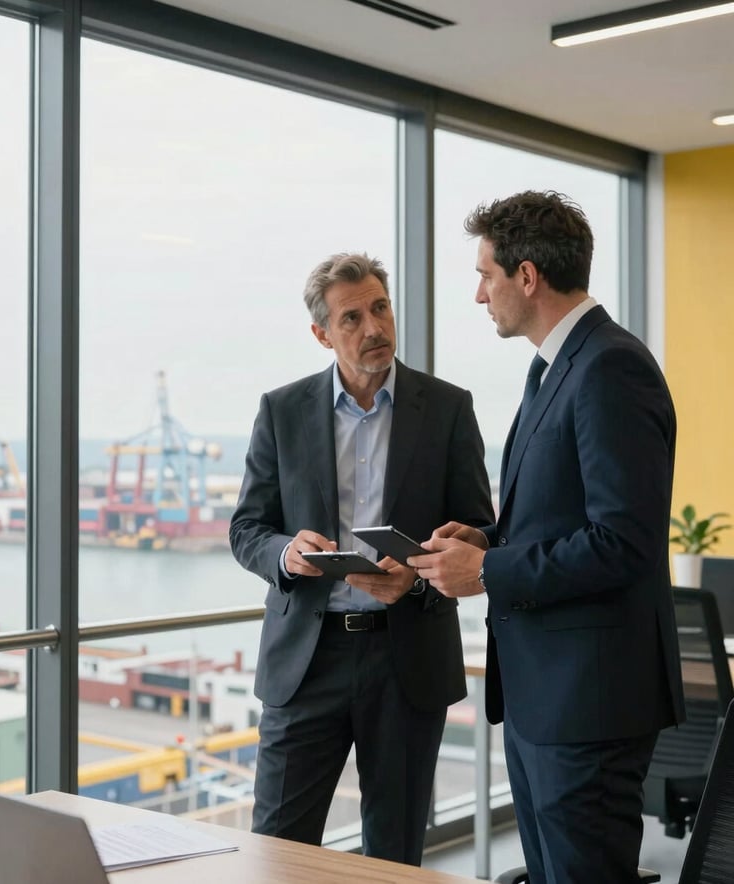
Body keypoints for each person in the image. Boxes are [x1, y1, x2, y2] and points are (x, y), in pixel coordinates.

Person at [411, 191, 685, 883]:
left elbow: (623, 540)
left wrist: (489, 572)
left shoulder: (608, 368)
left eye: (486, 275)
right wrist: (485, 538)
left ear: (526, 276)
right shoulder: (556, 368)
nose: (479, 295)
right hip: (550, 697)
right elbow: (562, 516)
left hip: (588, 704)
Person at [229, 252, 493, 865]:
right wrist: (287, 554)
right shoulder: (282, 409)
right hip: (306, 662)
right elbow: (247, 528)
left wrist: (419, 579)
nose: (373, 327)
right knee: (277, 850)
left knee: (393, 854)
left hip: (407, 661)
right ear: (322, 333)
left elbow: (480, 531)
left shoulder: (449, 408)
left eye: (380, 307)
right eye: (352, 317)